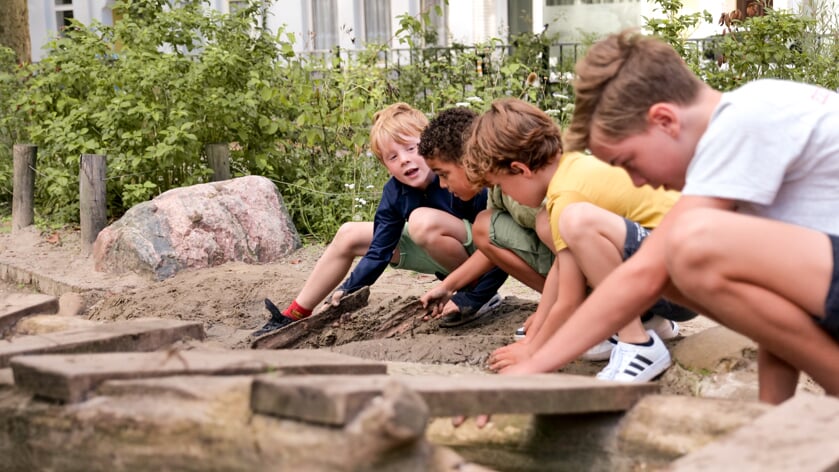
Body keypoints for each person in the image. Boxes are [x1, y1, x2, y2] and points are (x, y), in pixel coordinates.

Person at [502, 29, 839, 404]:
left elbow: (643, 273)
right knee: (687, 258)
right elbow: (775, 326)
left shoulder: (743, 120)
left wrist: (535, 363)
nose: (636, 180)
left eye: (628, 162)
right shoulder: (752, 128)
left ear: (664, 120)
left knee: (688, 246)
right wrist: (768, 425)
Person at [463, 97, 696, 382]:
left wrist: (535, 353)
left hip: (686, 276)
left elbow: (569, 300)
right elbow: (560, 275)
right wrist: (534, 339)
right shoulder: (571, 168)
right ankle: (650, 324)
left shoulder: (566, 198)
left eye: (501, 185)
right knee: (556, 224)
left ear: (520, 170)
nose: (506, 195)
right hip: (678, 276)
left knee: (576, 222)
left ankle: (637, 343)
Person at [253, 102, 507, 337]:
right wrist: (349, 289)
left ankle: (478, 294)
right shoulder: (394, 192)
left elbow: (500, 241)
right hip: (435, 249)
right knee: (349, 233)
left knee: (421, 221)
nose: (404, 159)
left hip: (479, 255)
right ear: (385, 165)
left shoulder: (462, 174)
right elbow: (379, 251)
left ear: (430, 146)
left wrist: (476, 295)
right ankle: (295, 315)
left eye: (411, 148)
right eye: (392, 157)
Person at [417, 106, 554, 328]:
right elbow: (491, 247)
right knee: (484, 225)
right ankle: (561, 302)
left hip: (587, 261)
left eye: (444, 174)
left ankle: (574, 307)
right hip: (562, 261)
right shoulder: (497, 190)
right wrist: (449, 286)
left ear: (466, 159)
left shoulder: (525, 186)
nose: (442, 185)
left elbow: (570, 249)